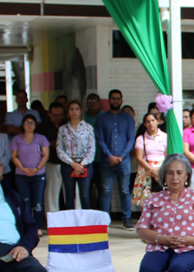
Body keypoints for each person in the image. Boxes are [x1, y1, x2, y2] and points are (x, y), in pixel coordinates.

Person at [94, 89, 136, 228]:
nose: (115, 101)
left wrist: (121, 156)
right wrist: (110, 156)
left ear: (121, 101)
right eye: (113, 98)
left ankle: (127, 219)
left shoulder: (128, 119)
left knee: (124, 190)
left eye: (118, 98)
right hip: (106, 160)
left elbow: (131, 140)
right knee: (105, 191)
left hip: (124, 161)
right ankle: (104, 220)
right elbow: (99, 139)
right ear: (109, 100)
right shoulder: (101, 118)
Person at [10, 115, 50, 227]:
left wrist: (37, 168)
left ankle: (38, 227)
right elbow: (14, 156)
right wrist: (22, 168)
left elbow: (45, 155)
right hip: (21, 175)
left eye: (32, 123)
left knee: (38, 202)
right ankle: (26, 226)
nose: (29, 125)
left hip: (38, 174)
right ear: (22, 124)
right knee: (25, 201)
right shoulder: (16, 139)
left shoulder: (41, 138)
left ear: (35, 125)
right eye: (27, 123)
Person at [57, 101, 96, 210]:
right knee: (69, 196)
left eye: (77, 109)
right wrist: (72, 163)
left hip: (85, 164)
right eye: (71, 109)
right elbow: (59, 148)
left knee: (85, 195)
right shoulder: (63, 129)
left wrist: (81, 164)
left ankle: (86, 222)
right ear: (68, 112)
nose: (74, 111)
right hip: (68, 164)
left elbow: (92, 149)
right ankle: (71, 223)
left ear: (81, 111)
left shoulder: (88, 127)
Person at [40, 102, 66, 213]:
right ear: (49, 114)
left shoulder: (67, 125)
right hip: (50, 162)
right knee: (51, 192)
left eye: (60, 115)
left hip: (67, 162)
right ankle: (52, 218)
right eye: (55, 115)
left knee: (72, 191)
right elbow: (40, 144)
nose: (57, 118)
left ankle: (73, 217)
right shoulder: (42, 127)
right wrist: (51, 143)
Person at [134, 113, 168, 196]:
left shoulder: (164, 136)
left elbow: (167, 156)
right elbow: (139, 158)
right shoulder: (140, 139)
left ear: (157, 122)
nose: (151, 123)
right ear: (145, 124)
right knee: (146, 200)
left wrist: (159, 172)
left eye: (153, 120)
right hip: (146, 169)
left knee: (163, 199)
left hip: (162, 169)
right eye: (148, 121)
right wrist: (152, 171)